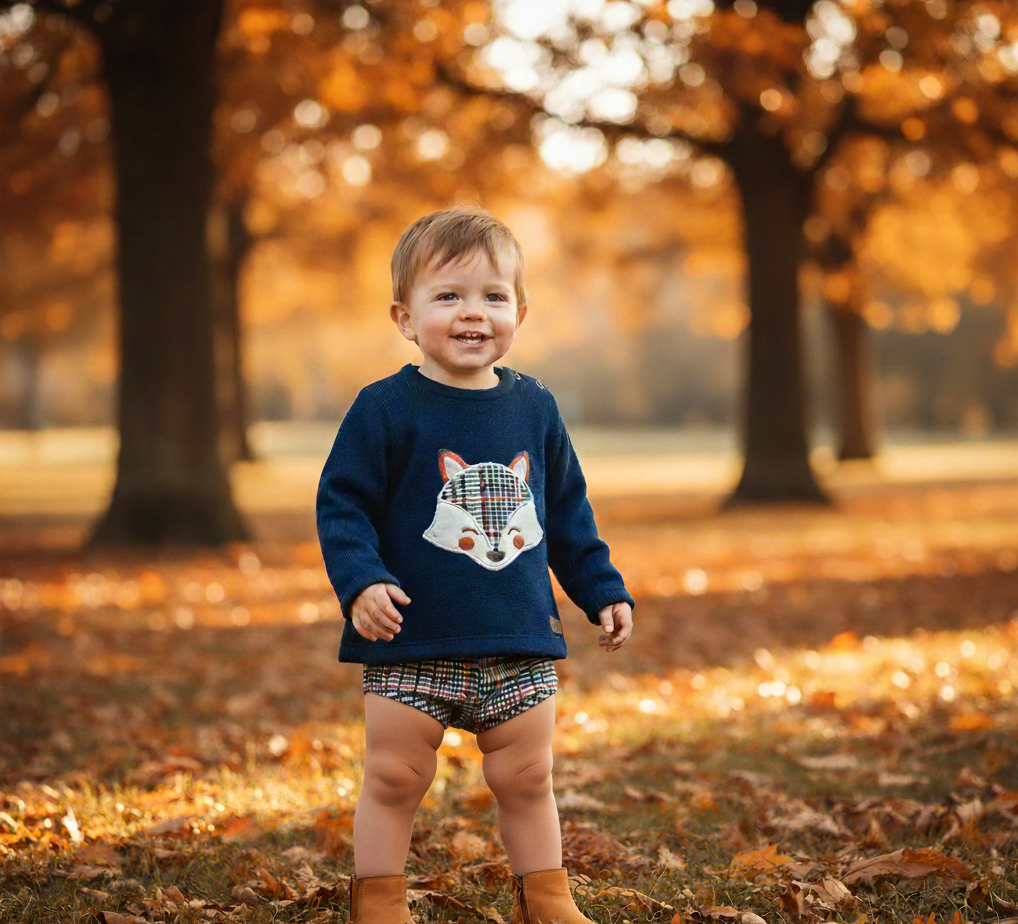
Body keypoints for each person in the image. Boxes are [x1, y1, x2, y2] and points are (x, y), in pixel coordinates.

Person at [317, 206, 635, 924]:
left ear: (520, 311)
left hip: (518, 638)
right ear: (404, 317)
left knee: (528, 776)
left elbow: (567, 515)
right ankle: (380, 902)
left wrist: (600, 589)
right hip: (412, 642)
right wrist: (361, 581)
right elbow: (342, 506)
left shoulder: (536, 408)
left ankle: (547, 898)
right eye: (448, 296)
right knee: (395, 776)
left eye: (493, 296)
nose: (473, 313)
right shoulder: (385, 408)